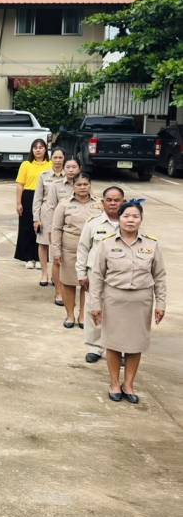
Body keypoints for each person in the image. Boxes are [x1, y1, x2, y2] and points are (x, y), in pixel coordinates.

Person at [90, 202, 167, 404]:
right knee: (113, 343)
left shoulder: (151, 245)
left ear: (141, 220)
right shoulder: (106, 244)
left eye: (135, 216)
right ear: (119, 218)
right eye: (126, 216)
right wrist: (95, 304)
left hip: (141, 302)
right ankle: (114, 383)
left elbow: (159, 277)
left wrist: (161, 304)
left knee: (135, 344)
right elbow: (97, 276)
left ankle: (129, 384)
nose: (130, 220)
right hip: (114, 300)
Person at [76, 185, 125, 363]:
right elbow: (83, 248)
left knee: (120, 312)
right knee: (94, 308)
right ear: (103, 202)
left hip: (121, 275)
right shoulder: (93, 223)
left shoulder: (129, 222)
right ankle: (95, 347)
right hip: (95, 274)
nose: (112, 203)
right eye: (109, 200)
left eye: (117, 200)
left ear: (123, 202)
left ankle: (119, 349)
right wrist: (81, 273)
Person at [51, 173, 103, 328]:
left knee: (88, 283)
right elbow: (56, 228)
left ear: (90, 185)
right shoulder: (64, 204)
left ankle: (82, 315)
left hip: (93, 249)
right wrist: (56, 251)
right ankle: (69, 315)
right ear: (73, 186)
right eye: (79, 185)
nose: (82, 187)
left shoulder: (99, 204)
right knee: (68, 283)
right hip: (70, 249)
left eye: (85, 184)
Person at [43, 157, 81, 306]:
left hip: (76, 230)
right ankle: (58, 292)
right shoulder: (56, 185)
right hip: (59, 228)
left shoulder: (84, 184)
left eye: (74, 167)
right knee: (58, 261)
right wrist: (50, 230)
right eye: (68, 167)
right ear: (64, 169)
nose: (71, 170)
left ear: (79, 168)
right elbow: (50, 207)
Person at [14, 139, 52, 269]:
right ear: (32, 150)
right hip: (28, 196)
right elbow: (20, 184)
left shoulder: (51, 165)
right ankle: (28, 258)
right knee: (27, 227)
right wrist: (18, 203)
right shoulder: (26, 165)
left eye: (41, 147)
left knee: (42, 228)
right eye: (35, 148)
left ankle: (40, 258)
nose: (38, 150)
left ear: (45, 149)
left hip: (45, 197)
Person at [32, 147, 67, 287]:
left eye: (60, 157)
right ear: (51, 158)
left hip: (64, 214)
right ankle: (44, 273)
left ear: (64, 159)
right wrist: (36, 218)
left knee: (59, 244)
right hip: (46, 213)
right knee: (43, 243)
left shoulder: (69, 176)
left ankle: (55, 274)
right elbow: (37, 199)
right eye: (55, 157)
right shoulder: (43, 176)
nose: (58, 160)